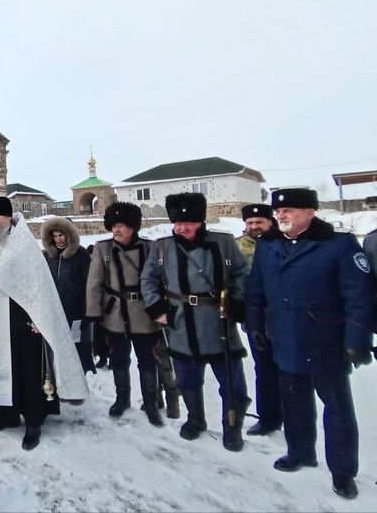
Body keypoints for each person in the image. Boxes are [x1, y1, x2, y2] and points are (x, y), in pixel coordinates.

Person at [246, 188, 375, 500]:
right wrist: (256, 326)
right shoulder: (268, 245)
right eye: (279, 211)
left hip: (325, 341)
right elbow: (255, 291)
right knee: (294, 402)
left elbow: (359, 296)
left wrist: (357, 339)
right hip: (285, 338)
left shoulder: (338, 245)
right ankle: (300, 452)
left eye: (289, 210)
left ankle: (343, 472)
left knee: (338, 409)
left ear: (310, 212)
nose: (281, 215)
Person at [0, 197, 89, 450]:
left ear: (7, 217)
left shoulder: (24, 245)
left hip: (21, 322)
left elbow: (38, 286)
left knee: (26, 372)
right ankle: (3, 416)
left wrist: (39, 318)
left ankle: (33, 422)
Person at [140, 193, 251, 452]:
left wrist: (238, 303)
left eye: (188, 223)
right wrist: (157, 308)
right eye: (178, 223)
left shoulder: (223, 243)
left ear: (201, 221)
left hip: (218, 321)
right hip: (181, 321)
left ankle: (232, 427)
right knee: (187, 380)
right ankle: (195, 419)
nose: (182, 228)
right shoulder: (162, 247)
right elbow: (148, 279)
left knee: (232, 382)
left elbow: (242, 274)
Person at [86, 203, 173, 426]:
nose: (117, 230)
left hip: (144, 313)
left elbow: (160, 280)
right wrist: (94, 312)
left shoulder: (150, 247)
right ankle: (122, 398)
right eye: (114, 225)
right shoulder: (103, 249)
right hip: (115, 314)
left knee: (147, 360)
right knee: (119, 359)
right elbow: (95, 282)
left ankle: (151, 403)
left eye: (122, 225)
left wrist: (161, 308)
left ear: (133, 226)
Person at [234, 204, 282, 437]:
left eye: (259, 222)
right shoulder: (237, 247)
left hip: (282, 315)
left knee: (290, 370)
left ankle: (294, 417)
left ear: (270, 222)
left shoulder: (282, 243)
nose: (254, 226)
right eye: (250, 223)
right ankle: (268, 418)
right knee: (263, 368)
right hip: (254, 317)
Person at [40, 217, 93, 375]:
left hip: (76, 311)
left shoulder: (81, 254)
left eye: (61, 235)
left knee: (76, 348)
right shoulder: (47, 256)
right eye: (55, 236)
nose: (59, 239)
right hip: (55, 312)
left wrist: (88, 311)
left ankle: (78, 380)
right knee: (57, 350)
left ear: (69, 235)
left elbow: (89, 283)